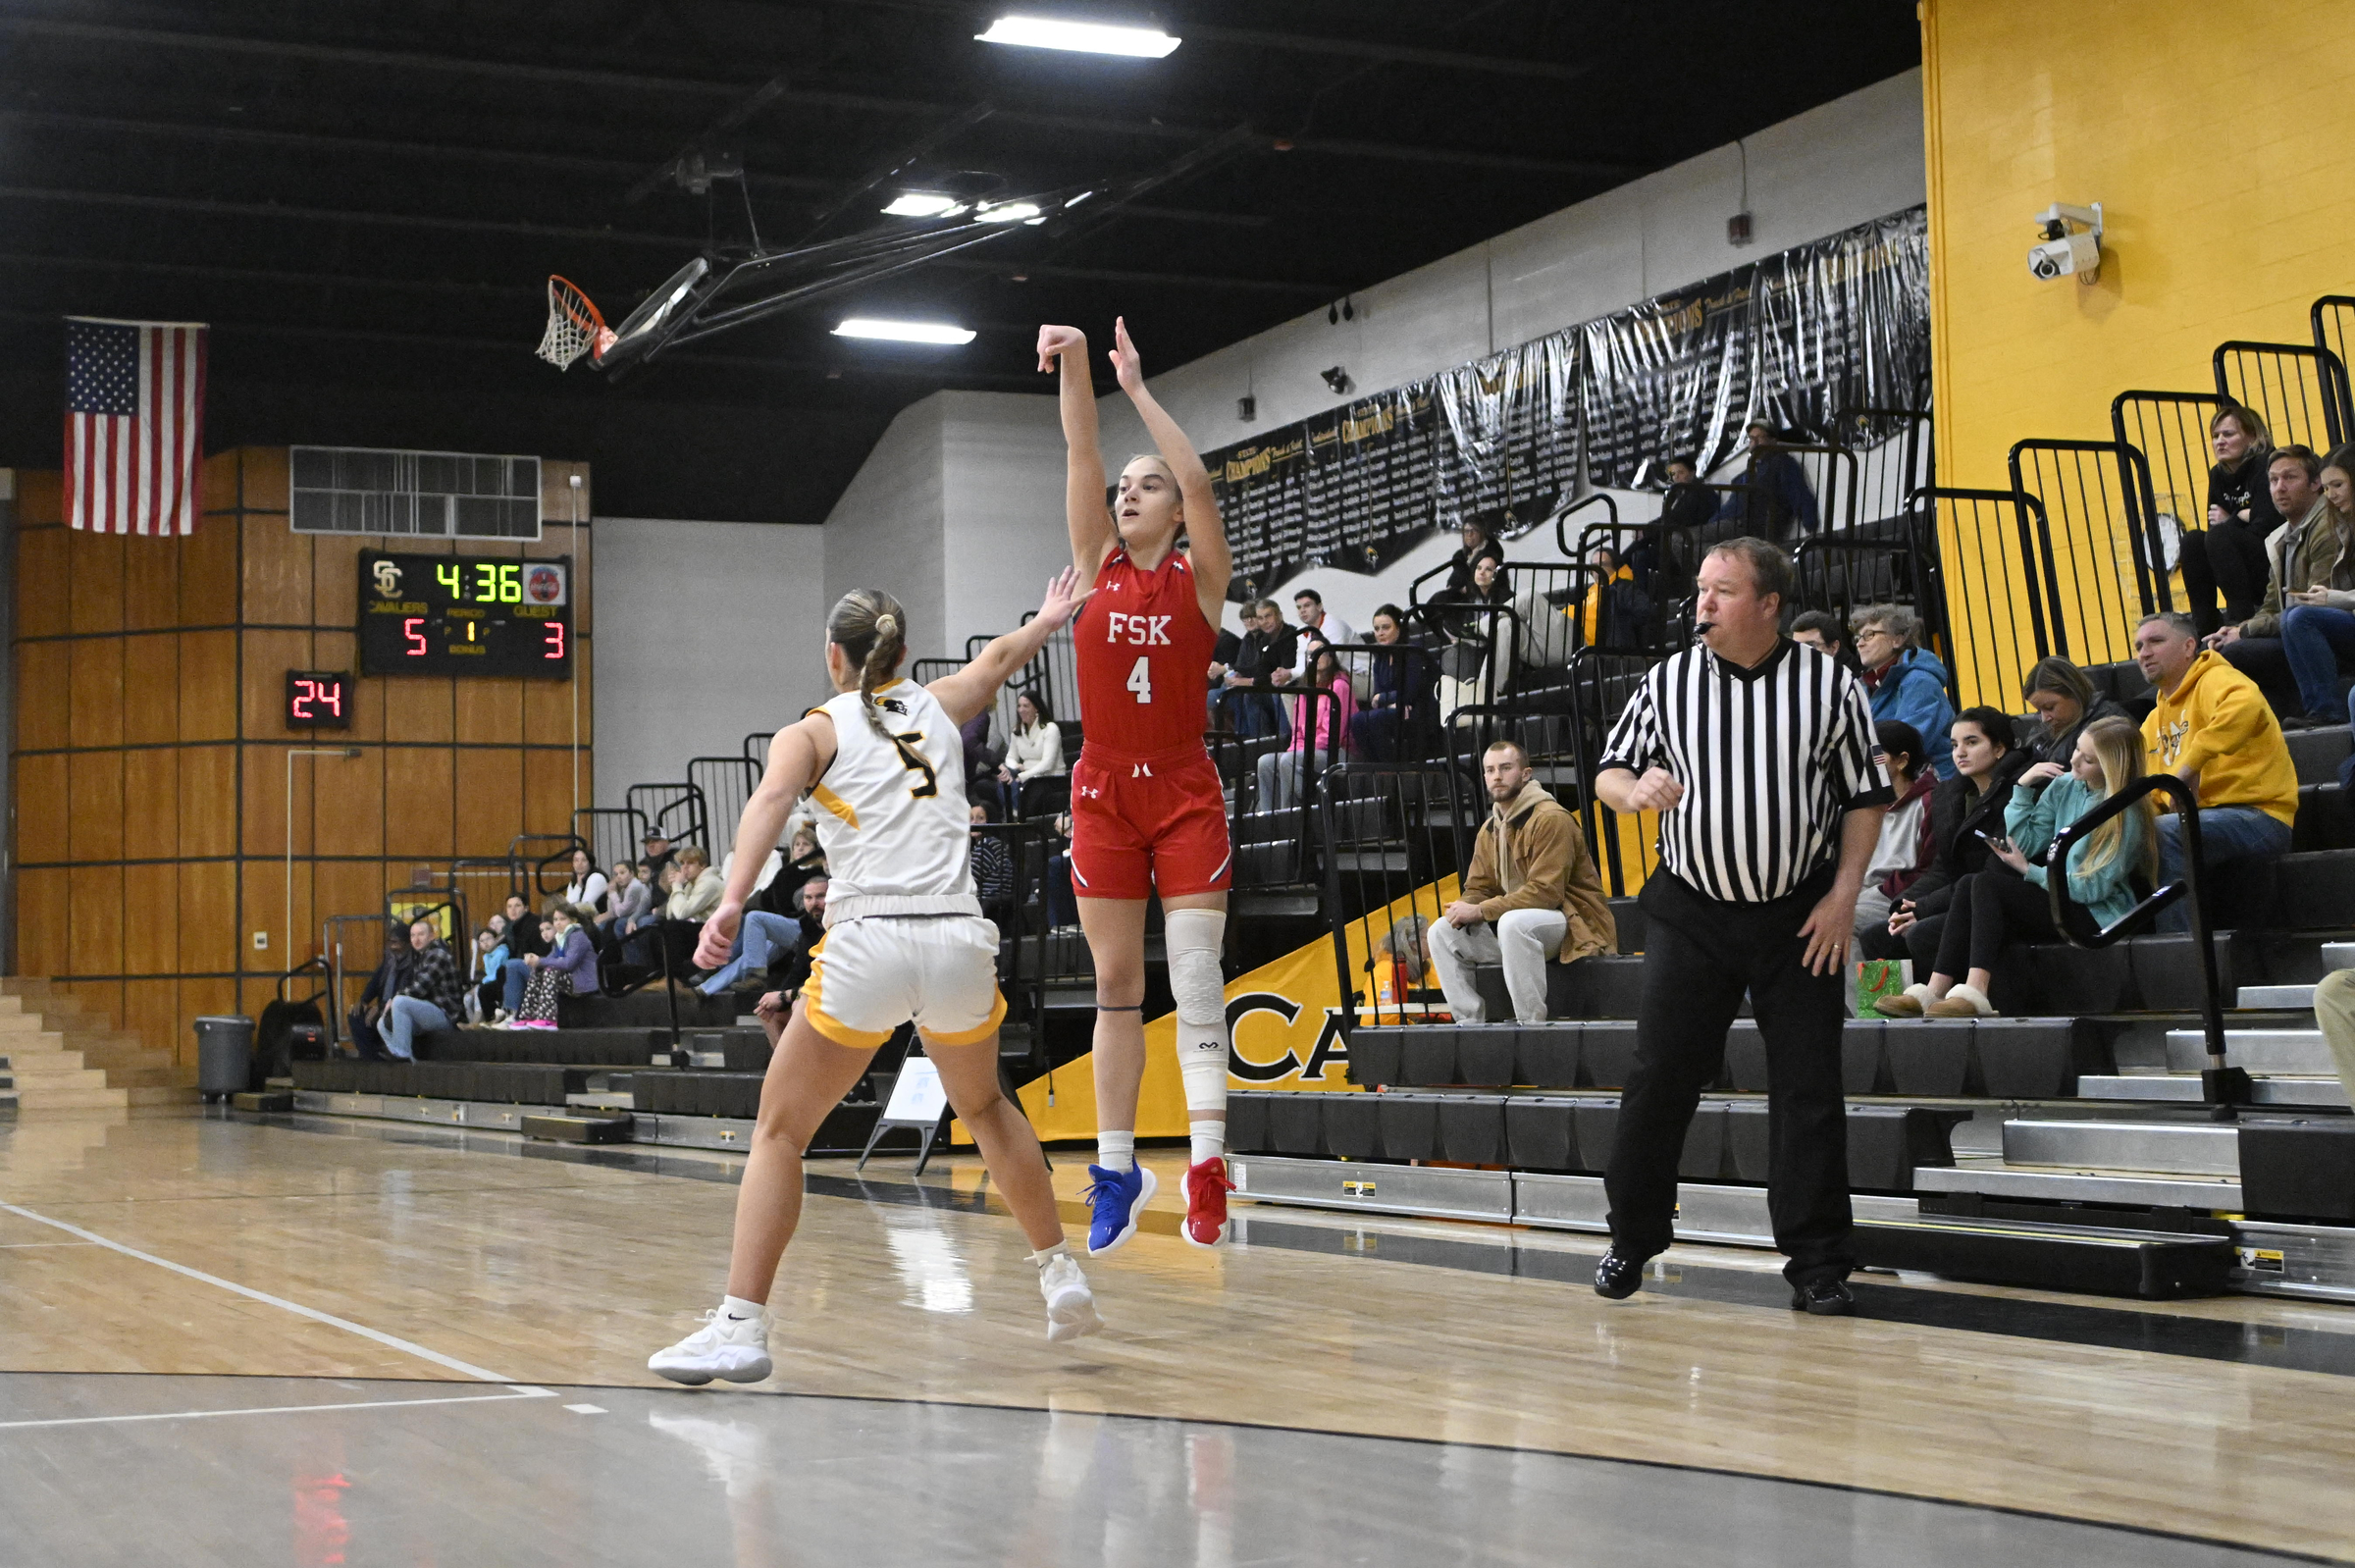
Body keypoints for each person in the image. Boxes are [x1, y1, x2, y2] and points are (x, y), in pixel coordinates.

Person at [648, 568, 1099, 1385]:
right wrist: (1051, 619)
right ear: (902, 653)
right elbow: (998, 660)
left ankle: (742, 1325)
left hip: (871, 939)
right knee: (988, 1107)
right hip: (960, 939)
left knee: (780, 1133)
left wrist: (732, 901)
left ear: (834, 654)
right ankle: (1060, 1273)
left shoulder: (812, 730)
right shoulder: (932, 704)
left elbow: (769, 802)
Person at [1590, 536, 1890, 1316]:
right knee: (1658, 1079)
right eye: (1700, 590)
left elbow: (1865, 799)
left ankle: (1819, 1264)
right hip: (1692, 910)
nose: (1703, 605)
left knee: (1809, 1090)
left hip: (1801, 915)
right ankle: (1632, 1237)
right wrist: (1634, 792)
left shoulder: (1829, 686)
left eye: (1722, 591)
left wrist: (1842, 896)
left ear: (1768, 604)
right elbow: (1608, 773)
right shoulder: (1669, 680)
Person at [1042, 315, 1239, 1254]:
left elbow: (1198, 478)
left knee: (1196, 976)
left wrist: (1138, 391)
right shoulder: (1094, 568)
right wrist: (1077, 361)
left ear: (1172, 510)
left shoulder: (1203, 581)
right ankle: (1117, 1169)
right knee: (1116, 983)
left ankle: (1207, 1167)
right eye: (1125, 488)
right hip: (1103, 792)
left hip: (1186, 789)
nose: (1129, 492)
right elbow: (1081, 449)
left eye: (1144, 486)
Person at [1877, 717, 2155, 1019]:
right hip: (2059, 896)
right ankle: (1933, 991)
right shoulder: (2066, 786)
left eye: (2087, 759)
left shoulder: (2126, 814)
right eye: (2076, 749)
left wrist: (2029, 871)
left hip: (2096, 913)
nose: (2073, 760)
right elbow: (2027, 840)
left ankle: (1975, 992)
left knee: (1986, 884)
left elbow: (2092, 888)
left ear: (2110, 767)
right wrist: (2022, 788)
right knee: (1973, 882)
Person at [1428, 739, 1616, 1023]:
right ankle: (1469, 1024)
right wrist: (1463, 908)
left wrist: (1480, 911)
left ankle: (1531, 1024)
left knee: (1512, 923)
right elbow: (1479, 887)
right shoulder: (1490, 829)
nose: (1497, 776)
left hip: (1573, 924)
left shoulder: (1551, 818)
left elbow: (1546, 893)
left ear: (1526, 774)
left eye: (1506, 768)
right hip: (1521, 928)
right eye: (1490, 770)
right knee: (1441, 931)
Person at [2135, 611, 2296, 929]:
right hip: (2202, 820)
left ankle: (2183, 959)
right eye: (2139, 645)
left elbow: (2245, 708)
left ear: (2188, 647)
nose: (2145, 652)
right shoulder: (2153, 721)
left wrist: (2191, 765)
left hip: (2259, 815)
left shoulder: (2218, 678)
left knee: (2164, 833)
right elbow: (2150, 789)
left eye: (2156, 641)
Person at [1871, 708, 2034, 972]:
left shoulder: (2017, 793)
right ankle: (1887, 1008)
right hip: (1958, 895)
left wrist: (1924, 907)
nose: (1960, 752)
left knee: (1920, 933)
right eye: (1955, 745)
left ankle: (1944, 1001)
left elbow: (1993, 869)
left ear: (1999, 749)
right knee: (1879, 934)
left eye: (1972, 742)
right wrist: (1906, 902)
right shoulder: (1951, 796)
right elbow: (1941, 867)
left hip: (1999, 899)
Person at [2212, 444, 2347, 720]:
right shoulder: (2278, 537)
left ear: (2315, 484)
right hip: (2298, 631)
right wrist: (2238, 629)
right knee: (2217, 651)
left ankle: (2325, 710)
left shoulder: (2328, 526)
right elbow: (2271, 604)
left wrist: (2247, 630)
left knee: (2293, 621)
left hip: (2330, 630)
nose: (2279, 488)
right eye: (2273, 480)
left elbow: (2316, 603)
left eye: (2289, 478)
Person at [2281, 448, 2355, 727]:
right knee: (2293, 615)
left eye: (2338, 485)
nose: (2331, 495)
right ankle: (2318, 709)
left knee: (2302, 618)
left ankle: (2330, 711)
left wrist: (2337, 599)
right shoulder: (2342, 525)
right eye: (2326, 488)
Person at [2193, 404, 2283, 628]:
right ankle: (2204, 625)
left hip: (2271, 554)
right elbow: (2213, 528)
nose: (2219, 441)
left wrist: (2230, 521)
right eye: (2215, 436)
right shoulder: (2218, 474)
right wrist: (2240, 516)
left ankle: (2241, 619)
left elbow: (2267, 524)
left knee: (2220, 537)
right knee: (2193, 541)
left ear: (2252, 436)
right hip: (2236, 552)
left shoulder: (2266, 463)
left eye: (2228, 434)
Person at [1854, 721, 1935, 951]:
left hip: (1894, 895)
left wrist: (1887, 889)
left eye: (1876, 757)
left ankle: (1869, 989)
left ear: (1902, 760)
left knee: (1843, 924)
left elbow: (1930, 869)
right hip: (1860, 891)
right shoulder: (1865, 805)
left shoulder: (1930, 802)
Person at [1853, 603, 1957, 777]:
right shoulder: (1866, 686)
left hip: (1932, 785)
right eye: (1858, 637)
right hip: (1891, 779)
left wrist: (1857, 763)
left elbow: (1904, 744)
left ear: (1898, 639)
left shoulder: (1920, 681)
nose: (1860, 644)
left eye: (1869, 635)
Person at [1255, 642, 1355, 811]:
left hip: (1337, 750)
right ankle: (1269, 818)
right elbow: (1298, 732)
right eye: (1310, 654)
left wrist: (1301, 751)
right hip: (1309, 750)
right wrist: (1297, 749)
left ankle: (1293, 817)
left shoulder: (1339, 686)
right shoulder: (1305, 688)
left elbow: (1333, 734)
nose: (1314, 657)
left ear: (1331, 658)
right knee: (1265, 762)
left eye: (1319, 653)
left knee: (1289, 760)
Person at [1709, 421, 1818, 540]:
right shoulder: (1746, 474)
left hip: (1751, 529)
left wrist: (1810, 527)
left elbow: (1799, 494)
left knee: (1692, 539)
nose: (1754, 443)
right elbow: (1730, 507)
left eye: (1760, 437)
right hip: (1730, 524)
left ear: (1773, 440)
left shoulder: (1782, 463)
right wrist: (1711, 523)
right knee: (1692, 541)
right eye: (1751, 438)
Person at [1350, 603, 1430, 761]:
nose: (1380, 633)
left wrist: (1385, 699)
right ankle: (1376, 765)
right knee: (1357, 719)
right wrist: (1390, 700)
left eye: (1386, 627)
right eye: (1377, 628)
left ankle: (1390, 765)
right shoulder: (1381, 658)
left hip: (1418, 709)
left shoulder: (1413, 652)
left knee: (1373, 718)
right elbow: (1376, 697)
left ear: (1399, 628)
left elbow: (1410, 693)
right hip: (1396, 708)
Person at [381, 919, 466, 1060]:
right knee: (381, 1023)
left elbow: (419, 989)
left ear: (432, 936)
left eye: (421, 934)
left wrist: (393, 1000)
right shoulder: (422, 956)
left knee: (400, 1002)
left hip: (447, 1014)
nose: (416, 939)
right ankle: (406, 1059)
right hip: (429, 1011)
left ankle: (402, 1053)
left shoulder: (438, 954)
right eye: (413, 935)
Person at [2020, 656, 2126, 765]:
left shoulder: (2108, 724)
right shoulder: (2044, 732)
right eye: (2039, 711)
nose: (2044, 718)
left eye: (2049, 707)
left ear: (2074, 692)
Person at [1217, 599, 1295, 740]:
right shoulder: (1263, 639)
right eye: (1261, 618)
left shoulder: (1290, 635)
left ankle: (1285, 740)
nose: (1264, 621)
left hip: (1293, 686)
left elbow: (1286, 672)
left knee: (1275, 692)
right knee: (1248, 694)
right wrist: (1236, 675)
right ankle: (1258, 742)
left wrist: (1250, 681)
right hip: (1270, 684)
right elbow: (1260, 669)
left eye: (1268, 616)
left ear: (1280, 615)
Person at [509, 903, 597, 1028]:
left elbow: (568, 963)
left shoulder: (578, 937)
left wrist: (540, 961)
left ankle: (548, 1019)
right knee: (537, 971)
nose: (558, 923)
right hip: (570, 979)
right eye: (555, 920)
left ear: (573, 920)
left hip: (583, 982)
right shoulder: (560, 938)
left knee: (551, 971)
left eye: (562, 919)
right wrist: (535, 961)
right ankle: (527, 1015)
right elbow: (550, 959)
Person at [997, 688, 1067, 818]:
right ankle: (1014, 812)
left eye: (1026, 706)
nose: (1021, 710)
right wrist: (1015, 768)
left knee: (1027, 788)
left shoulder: (1050, 729)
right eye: (1019, 706)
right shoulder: (1017, 731)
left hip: (1049, 777)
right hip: (1026, 773)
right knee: (1005, 777)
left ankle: (1018, 815)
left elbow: (1048, 764)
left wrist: (1024, 775)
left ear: (1036, 708)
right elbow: (1010, 757)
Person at [1573, 544, 1651, 652]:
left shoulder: (1623, 588)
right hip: (1575, 635)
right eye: (1594, 566)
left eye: (1603, 565)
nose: (1598, 570)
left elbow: (1645, 610)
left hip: (1590, 643)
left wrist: (1622, 624)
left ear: (1615, 568)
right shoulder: (1592, 592)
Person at [496, 893, 547, 1021]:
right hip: (522, 963)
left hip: (539, 965)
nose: (513, 910)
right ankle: (497, 1015)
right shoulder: (509, 928)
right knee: (486, 987)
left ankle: (511, 1013)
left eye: (517, 905)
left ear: (526, 908)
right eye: (509, 906)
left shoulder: (534, 924)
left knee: (510, 967)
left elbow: (537, 951)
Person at [1285, 589, 1354, 681]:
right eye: (1299, 607)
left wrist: (1291, 674)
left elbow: (1331, 662)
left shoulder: (1334, 625)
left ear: (1319, 607)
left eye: (1307, 605)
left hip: (1357, 675)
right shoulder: (1301, 631)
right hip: (1324, 674)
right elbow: (1302, 663)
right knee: (1287, 692)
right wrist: (1288, 674)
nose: (1302, 610)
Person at [596, 859, 650, 953]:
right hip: (629, 914)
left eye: (622, 873)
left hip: (641, 914)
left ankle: (629, 960)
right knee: (600, 925)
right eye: (616, 874)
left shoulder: (634, 887)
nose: (618, 877)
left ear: (632, 873)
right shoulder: (625, 888)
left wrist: (612, 893)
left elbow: (620, 912)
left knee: (616, 924)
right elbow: (613, 911)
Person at [561, 847, 608, 915]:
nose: (579, 863)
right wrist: (579, 886)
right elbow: (568, 903)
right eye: (576, 860)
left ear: (590, 863)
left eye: (584, 860)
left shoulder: (596, 877)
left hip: (597, 920)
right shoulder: (575, 879)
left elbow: (585, 907)